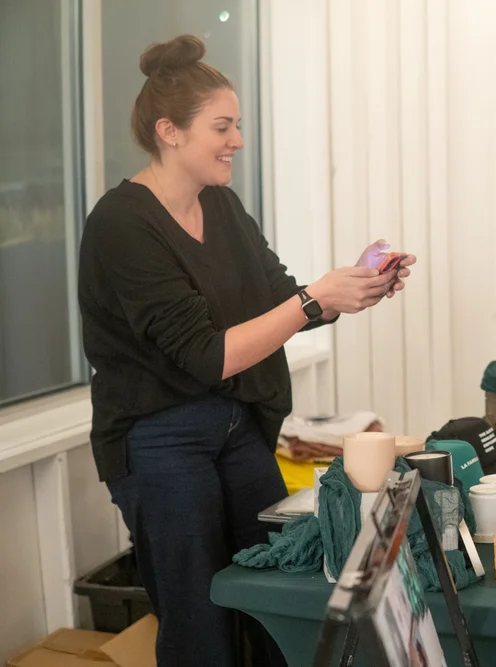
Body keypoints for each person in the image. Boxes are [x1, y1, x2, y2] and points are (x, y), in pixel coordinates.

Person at [77, 35, 414, 666]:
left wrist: (356, 286)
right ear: (169, 131)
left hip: (237, 427)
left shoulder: (222, 207)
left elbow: (280, 304)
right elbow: (208, 355)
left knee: (273, 596)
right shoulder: (122, 224)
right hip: (159, 438)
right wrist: (314, 299)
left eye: (238, 125)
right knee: (200, 620)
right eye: (222, 126)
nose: (237, 140)